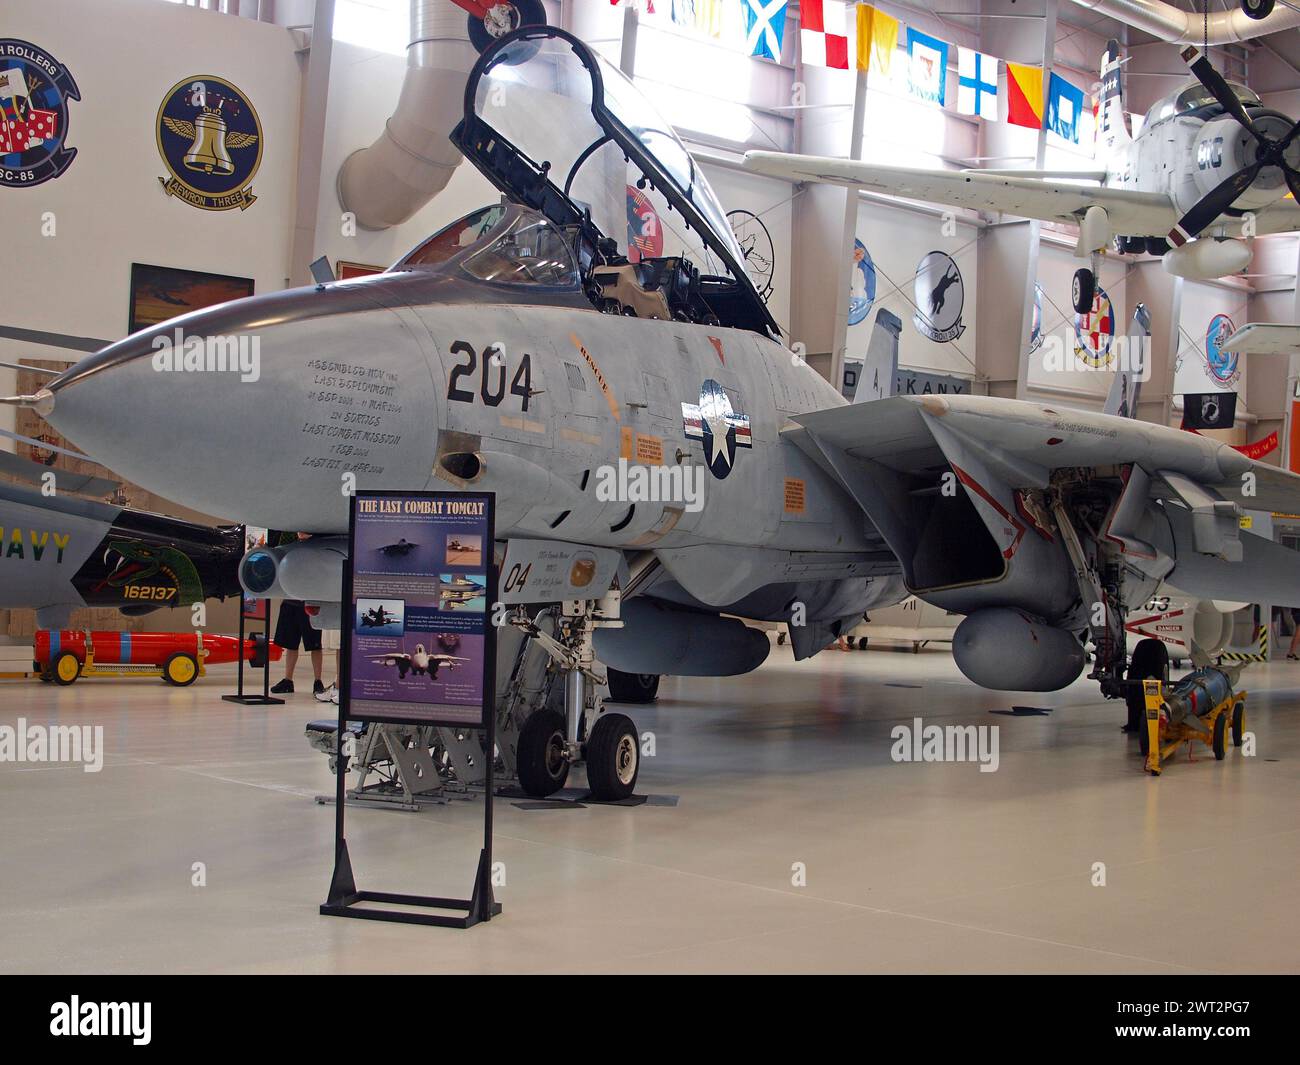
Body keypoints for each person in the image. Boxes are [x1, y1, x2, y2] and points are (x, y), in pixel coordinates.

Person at [270, 533, 324, 695]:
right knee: (290, 643)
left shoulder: (316, 550)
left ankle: (318, 680)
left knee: (315, 644)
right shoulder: (291, 549)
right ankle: (288, 679)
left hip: (309, 602)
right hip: (290, 601)